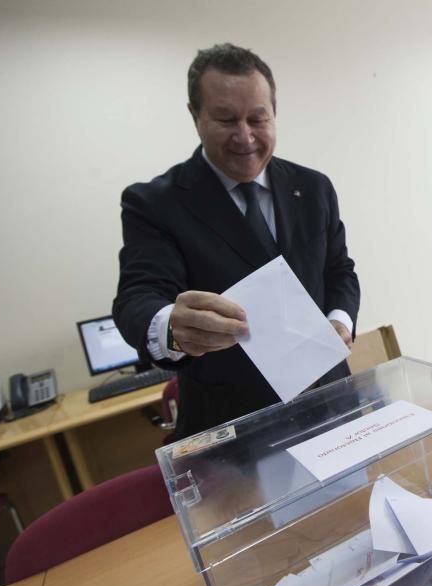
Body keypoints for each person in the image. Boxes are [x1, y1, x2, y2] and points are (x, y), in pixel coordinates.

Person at [113, 44, 360, 439]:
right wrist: (173, 327)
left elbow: (339, 270)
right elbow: (137, 297)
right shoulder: (155, 203)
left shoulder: (313, 188)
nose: (245, 137)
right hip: (234, 425)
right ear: (195, 116)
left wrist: (339, 320)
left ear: (273, 114)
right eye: (226, 119)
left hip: (330, 399)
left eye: (257, 119)